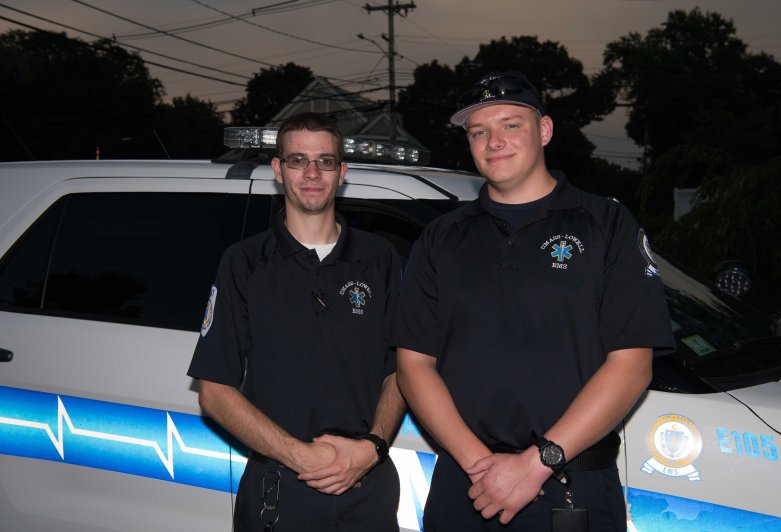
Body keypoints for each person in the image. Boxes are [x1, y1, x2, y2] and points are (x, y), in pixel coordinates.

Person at [393, 71, 674, 531]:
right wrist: (482, 466)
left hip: (571, 485)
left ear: (544, 130)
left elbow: (632, 363)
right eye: (478, 131)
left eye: (510, 124)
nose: (493, 141)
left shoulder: (605, 224)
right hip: (465, 485)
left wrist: (536, 463)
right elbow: (414, 364)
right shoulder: (441, 238)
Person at [188, 112, 405, 531]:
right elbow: (214, 393)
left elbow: (400, 370)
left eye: (325, 161)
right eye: (297, 160)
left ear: (341, 172)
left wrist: (371, 447)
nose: (311, 173)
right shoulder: (245, 262)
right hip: (278, 488)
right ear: (277, 169)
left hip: (368, 490)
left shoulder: (380, 260)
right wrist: (303, 458)